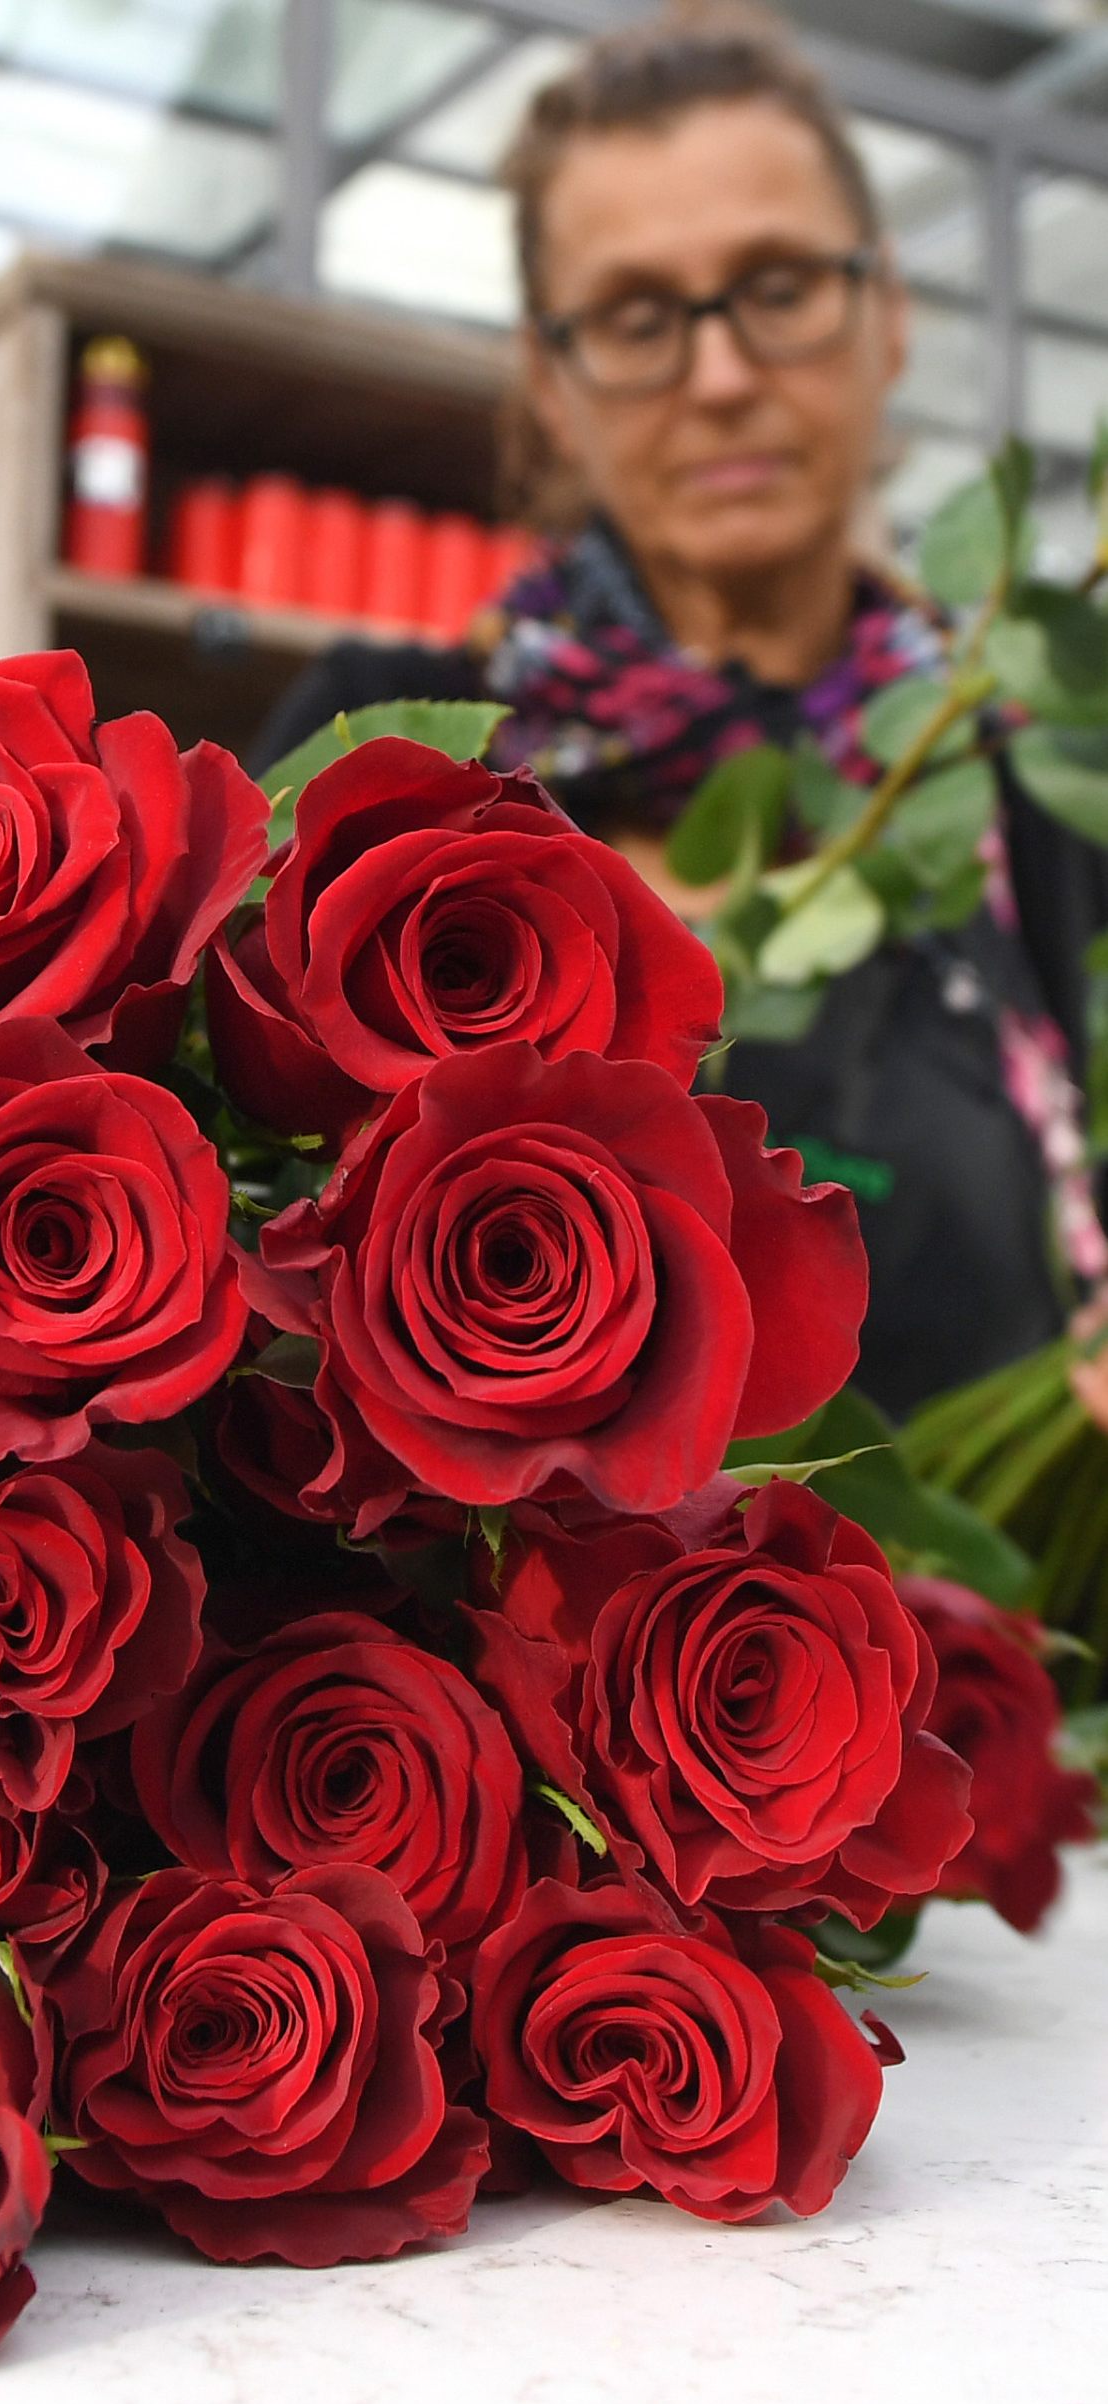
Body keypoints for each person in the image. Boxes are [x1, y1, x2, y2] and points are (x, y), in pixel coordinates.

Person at [258, 0, 1108, 1418]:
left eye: (777, 290)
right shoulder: (388, 760)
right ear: (549, 373)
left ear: (884, 312)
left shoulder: (1025, 788)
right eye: (639, 319)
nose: (720, 378)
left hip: (986, 1626)